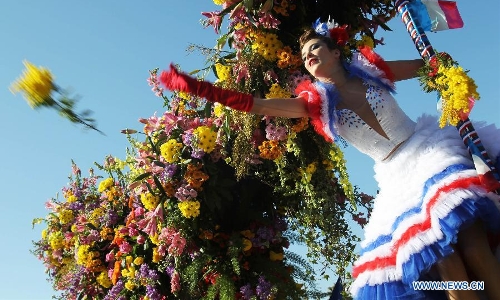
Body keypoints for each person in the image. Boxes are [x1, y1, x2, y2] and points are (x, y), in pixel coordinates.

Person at [160, 21, 500, 299]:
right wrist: (200, 88)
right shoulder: (315, 104)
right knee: (446, 263)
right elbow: (259, 104)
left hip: (428, 151)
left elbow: (431, 67)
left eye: (315, 49)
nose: (308, 57)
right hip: (398, 180)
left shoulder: (375, 72)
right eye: (304, 56)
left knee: (472, 242)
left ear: (335, 51)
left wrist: (448, 74)